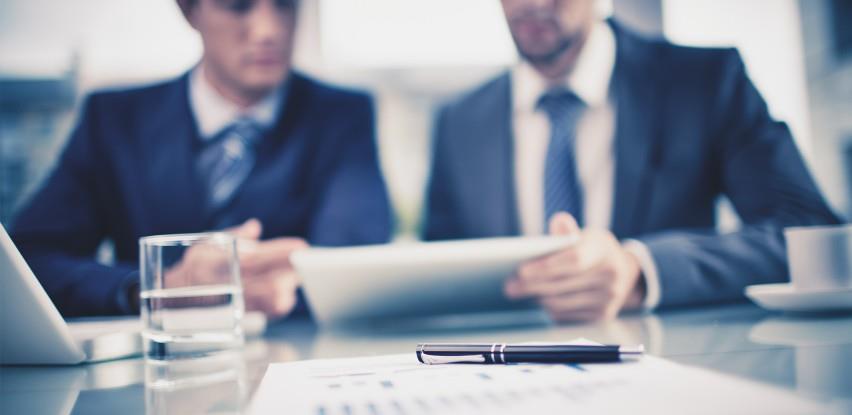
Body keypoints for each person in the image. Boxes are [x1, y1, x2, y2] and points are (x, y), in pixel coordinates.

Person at [425, 0, 840, 322]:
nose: (532, 2)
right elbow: (437, 269)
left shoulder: (705, 80)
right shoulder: (459, 120)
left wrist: (641, 270)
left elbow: (809, 232)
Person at [10, 0, 391, 318]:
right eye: (237, 6)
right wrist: (159, 288)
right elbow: (27, 264)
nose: (268, 30)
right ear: (189, 10)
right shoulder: (114, 121)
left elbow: (354, 266)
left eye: (285, 4)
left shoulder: (343, 116)